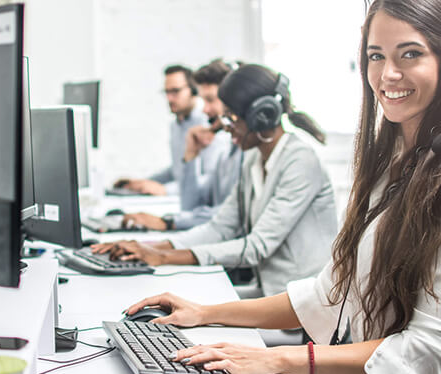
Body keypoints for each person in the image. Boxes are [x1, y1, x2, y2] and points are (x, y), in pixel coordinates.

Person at [121, 1, 441, 374]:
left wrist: (281, 359)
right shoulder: (391, 168)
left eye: (410, 54)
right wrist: (203, 313)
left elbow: (419, 353)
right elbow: (326, 295)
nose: (388, 75)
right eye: (375, 56)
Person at [94, 64, 337, 297]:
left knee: (195, 322)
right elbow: (220, 228)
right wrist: (150, 246)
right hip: (272, 293)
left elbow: (256, 247)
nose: (225, 126)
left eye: (231, 117)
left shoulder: (300, 161)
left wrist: (164, 257)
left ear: (260, 117)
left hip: (303, 310)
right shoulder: (254, 158)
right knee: (180, 306)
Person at [122, 59, 243, 231]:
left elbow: (231, 217)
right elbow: (191, 204)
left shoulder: (223, 140)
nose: (205, 109)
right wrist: (190, 155)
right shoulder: (225, 153)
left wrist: (168, 219)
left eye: (210, 100)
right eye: (167, 92)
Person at [113, 65, 229, 197]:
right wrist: (144, 183)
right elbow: (176, 171)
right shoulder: (176, 125)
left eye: (175, 91)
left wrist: (165, 190)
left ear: (193, 91)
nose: (169, 98)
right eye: (166, 92)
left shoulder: (209, 124)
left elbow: (211, 180)